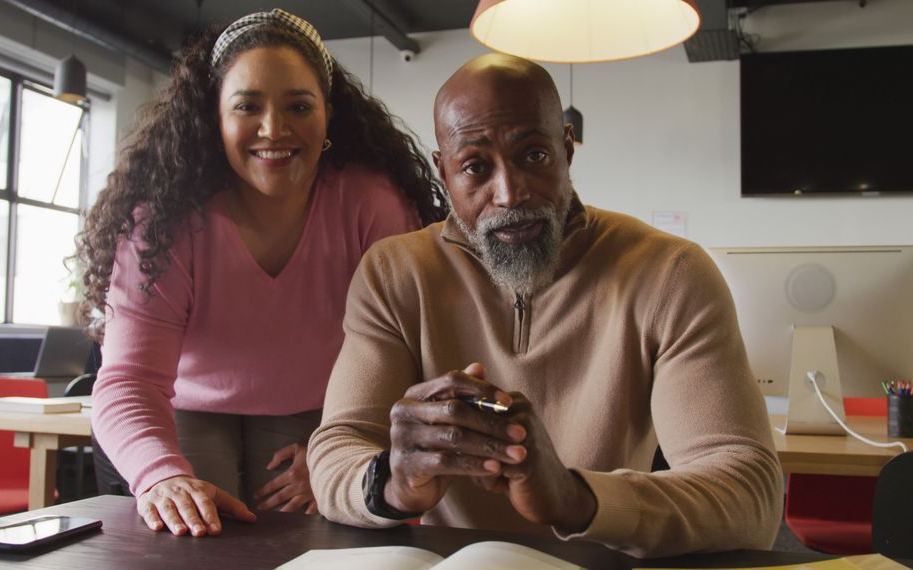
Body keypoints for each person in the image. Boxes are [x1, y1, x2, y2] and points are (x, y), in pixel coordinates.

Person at [307, 53, 783, 558]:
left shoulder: (670, 273)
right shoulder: (395, 274)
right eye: (475, 167)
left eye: (533, 156)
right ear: (442, 172)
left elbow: (750, 497)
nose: (510, 194)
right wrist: (394, 482)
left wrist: (575, 497)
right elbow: (338, 449)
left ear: (567, 149)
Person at [78, 9, 447, 538]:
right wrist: (161, 477)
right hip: (188, 403)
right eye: (247, 106)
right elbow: (128, 381)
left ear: (327, 117)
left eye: (298, 105)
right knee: (195, 530)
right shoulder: (163, 222)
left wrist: (339, 452)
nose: (274, 129)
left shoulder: (372, 205)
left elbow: (411, 349)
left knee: (309, 537)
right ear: (216, 119)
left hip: (324, 407)